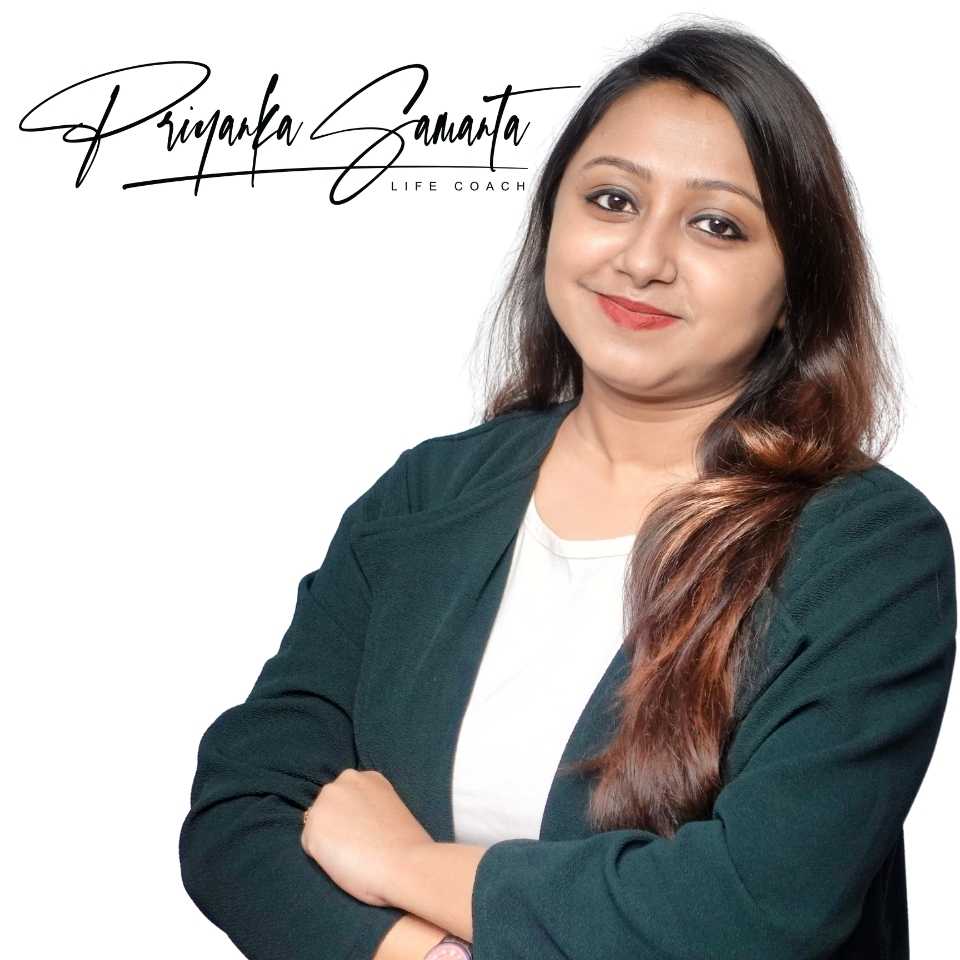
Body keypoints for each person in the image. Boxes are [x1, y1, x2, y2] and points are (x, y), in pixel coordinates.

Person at [179, 19, 956, 960]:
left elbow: (756, 908)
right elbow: (241, 808)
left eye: (717, 224)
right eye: (613, 199)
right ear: (555, 218)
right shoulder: (429, 493)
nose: (644, 258)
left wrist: (402, 865)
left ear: (796, 288)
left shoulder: (867, 549)